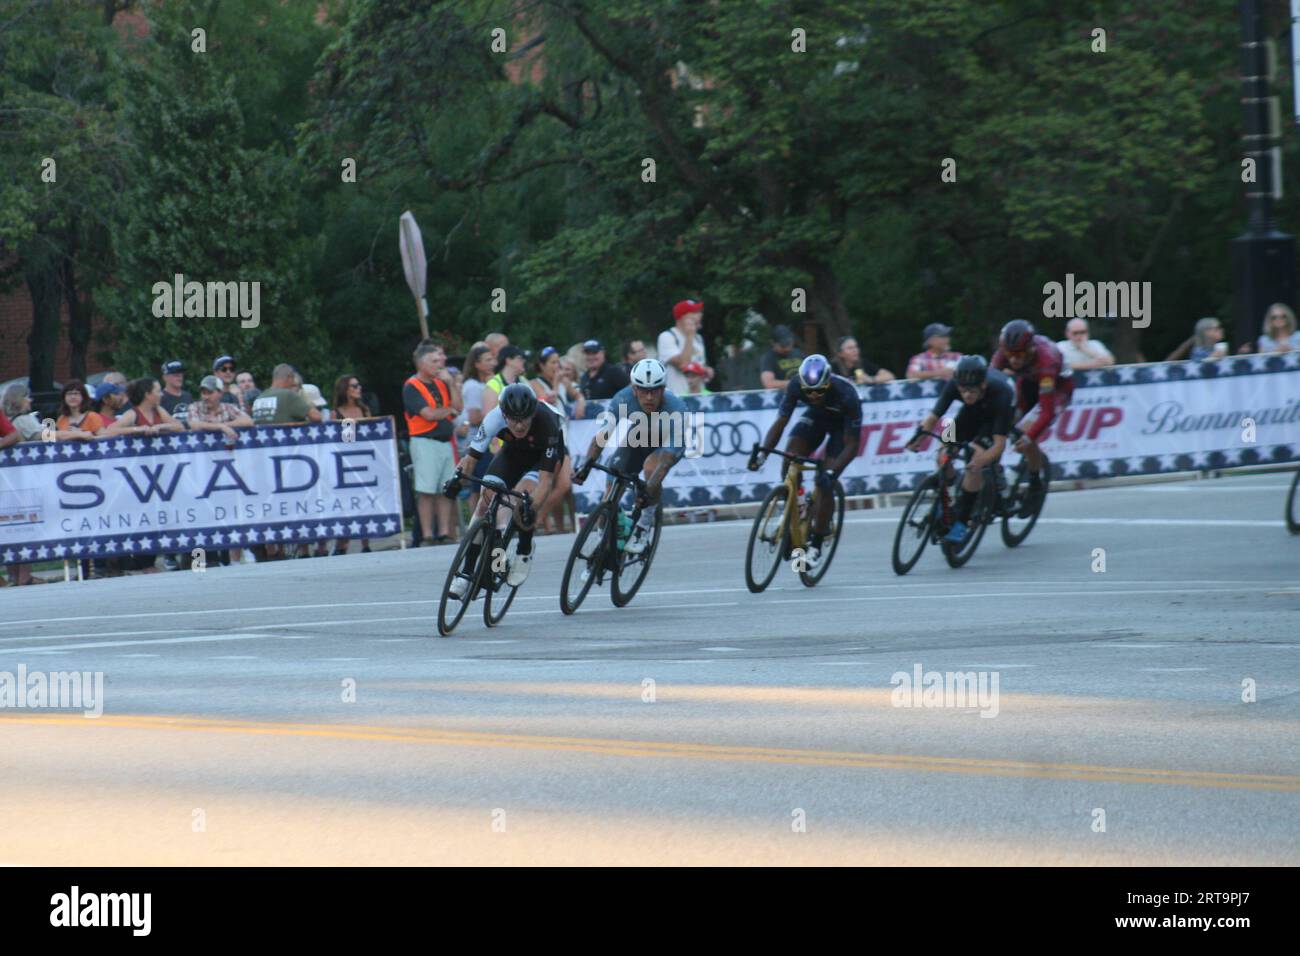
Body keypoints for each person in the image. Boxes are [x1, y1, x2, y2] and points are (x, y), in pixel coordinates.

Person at [444, 383, 563, 595]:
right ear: (504, 414)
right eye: (513, 419)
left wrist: (531, 507)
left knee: (524, 502)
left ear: (533, 412)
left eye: (524, 419)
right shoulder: (493, 418)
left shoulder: (547, 423)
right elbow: (470, 459)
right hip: (513, 454)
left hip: (541, 458)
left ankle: (524, 549)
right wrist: (456, 479)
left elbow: (545, 482)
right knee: (485, 502)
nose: (518, 426)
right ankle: (466, 572)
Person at [748, 354, 862, 571]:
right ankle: (797, 505)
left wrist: (832, 473)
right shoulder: (794, 386)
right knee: (790, 455)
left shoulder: (847, 393)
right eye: (809, 392)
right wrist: (763, 455)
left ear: (828, 382)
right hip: (817, 418)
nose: (814, 395)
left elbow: (853, 445)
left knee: (824, 481)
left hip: (842, 428)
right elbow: (781, 422)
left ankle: (816, 546)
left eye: (819, 390)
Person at [574, 358, 687, 555]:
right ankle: (603, 540)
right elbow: (602, 436)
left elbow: (665, 463)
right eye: (643, 390)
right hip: (638, 439)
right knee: (609, 492)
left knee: (651, 469)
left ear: (663, 389)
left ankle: (644, 525)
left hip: (666, 446)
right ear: (634, 389)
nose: (649, 397)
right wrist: (586, 464)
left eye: (655, 390)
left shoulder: (676, 408)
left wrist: (647, 491)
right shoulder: (622, 399)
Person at [905, 355, 1016, 543]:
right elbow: (933, 418)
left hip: (996, 416)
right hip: (970, 413)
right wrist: (918, 437)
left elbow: (999, 444)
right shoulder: (955, 385)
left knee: (976, 459)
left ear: (983, 385)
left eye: (971, 391)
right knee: (943, 451)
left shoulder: (1000, 393)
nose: (966, 395)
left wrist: (979, 462)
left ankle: (962, 522)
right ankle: (951, 490)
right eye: (963, 391)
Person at [990, 319, 1074, 508]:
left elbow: (1046, 411)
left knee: (1024, 434)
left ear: (1031, 348)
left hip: (1057, 389)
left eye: (1019, 354)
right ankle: (999, 474)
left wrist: (1029, 438)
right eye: (1010, 354)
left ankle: (1036, 481)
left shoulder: (1047, 359)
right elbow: (988, 385)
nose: (1013, 360)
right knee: (1001, 421)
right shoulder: (1004, 352)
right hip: (1028, 382)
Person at [404, 341, 462, 546]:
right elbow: (428, 414)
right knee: (426, 490)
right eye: (434, 361)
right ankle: (428, 534)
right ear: (421, 363)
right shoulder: (412, 386)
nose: (440, 364)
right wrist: (448, 412)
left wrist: (452, 384)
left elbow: (458, 407)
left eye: (440, 360)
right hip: (425, 442)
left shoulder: (440, 383)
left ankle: (444, 532)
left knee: (445, 488)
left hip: (444, 441)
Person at [530, 346, 583, 533]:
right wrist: (556, 382)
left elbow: (577, 393)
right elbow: (548, 401)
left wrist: (580, 401)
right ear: (542, 365)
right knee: (553, 483)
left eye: (557, 362)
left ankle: (538, 518)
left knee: (563, 484)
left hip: (563, 437)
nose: (556, 366)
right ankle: (537, 518)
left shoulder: (563, 381)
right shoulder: (534, 383)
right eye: (552, 363)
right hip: (546, 438)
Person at [331, 373, 373, 556]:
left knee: (364, 502)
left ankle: (366, 543)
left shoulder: (365, 410)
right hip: (345, 464)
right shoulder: (336, 413)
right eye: (354, 386)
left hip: (365, 461)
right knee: (347, 504)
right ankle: (342, 543)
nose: (358, 388)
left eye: (358, 385)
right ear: (345, 390)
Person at [456, 345, 497, 515]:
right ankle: (478, 519)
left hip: (489, 437)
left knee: (483, 482)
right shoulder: (472, 386)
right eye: (488, 360)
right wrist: (495, 413)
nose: (493, 363)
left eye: (492, 359)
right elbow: (474, 417)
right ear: (476, 364)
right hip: (480, 438)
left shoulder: (487, 382)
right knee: (479, 484)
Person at [658, 299, 713, 394]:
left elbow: (697, 366)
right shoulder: (667, 337)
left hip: (699, 399)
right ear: (683, 317)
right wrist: (690, 336)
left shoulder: (698, 338)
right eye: (696, 312)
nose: (700, 315)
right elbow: (684, 365)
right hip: (678, 399)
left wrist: (706, 370)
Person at [106, 378, 185, 437]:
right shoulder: (133, 414)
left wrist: (160, 427)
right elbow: (109, 430)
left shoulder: (158, 410)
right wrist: (136, 429)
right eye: (158, 391)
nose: (162, 394)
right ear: (147, 395)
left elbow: (179, 426)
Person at [251, 364, 322, 424]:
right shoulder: (288, 395)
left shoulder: (259, 397)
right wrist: (308, 402)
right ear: (289, 377)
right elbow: (317, 417)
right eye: (293, 380)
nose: (292, 384)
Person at [483, 345, 527, 415]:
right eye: (520, 358)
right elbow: (488, 416)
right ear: (508, 360)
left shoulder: (524, 381)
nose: (524, 361)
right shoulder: (493, 384)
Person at [759, 324, 804, 390]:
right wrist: (796, 383)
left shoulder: (798, 353)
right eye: (783, 346)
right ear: (773, 343)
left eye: (789, 344)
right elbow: (769, 384)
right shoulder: (769, 358)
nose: (787, 348)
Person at [159, 360, 193, 425]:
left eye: (181, 375)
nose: (180, 378)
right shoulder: (159, 397)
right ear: (165, 377)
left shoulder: (188, 396)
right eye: (176, 375)